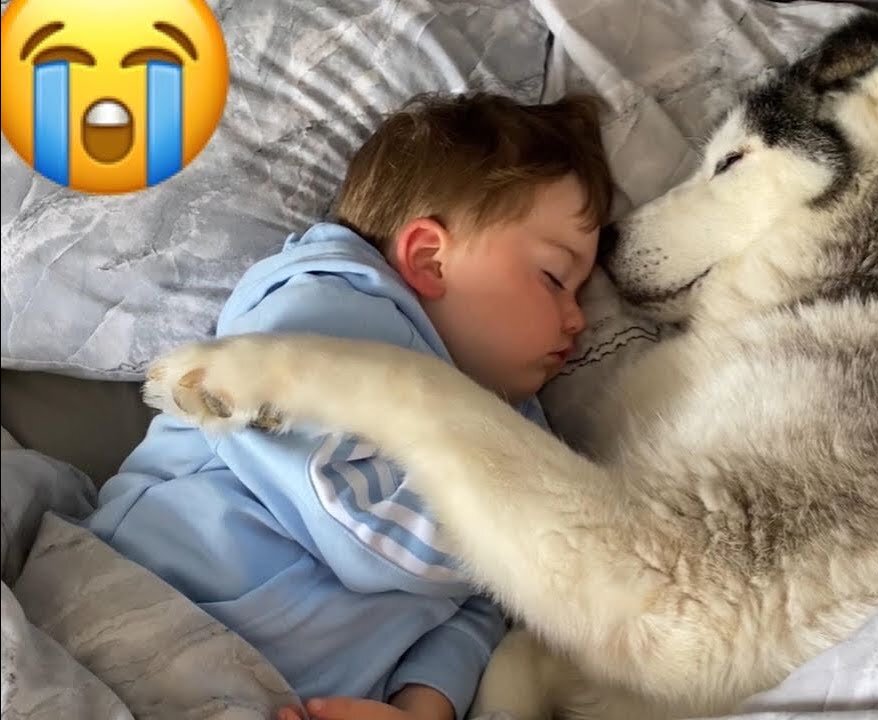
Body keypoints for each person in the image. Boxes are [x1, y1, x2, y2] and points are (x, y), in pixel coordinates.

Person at [82, 91, 613, 720]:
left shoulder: (518, 428)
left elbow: (481, 605)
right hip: (135, 620)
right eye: (554, 278)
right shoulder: (324, 311)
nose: (577, 319)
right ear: (428, 257)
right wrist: (540, 544)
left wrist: (425, 705)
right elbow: (351, 506)